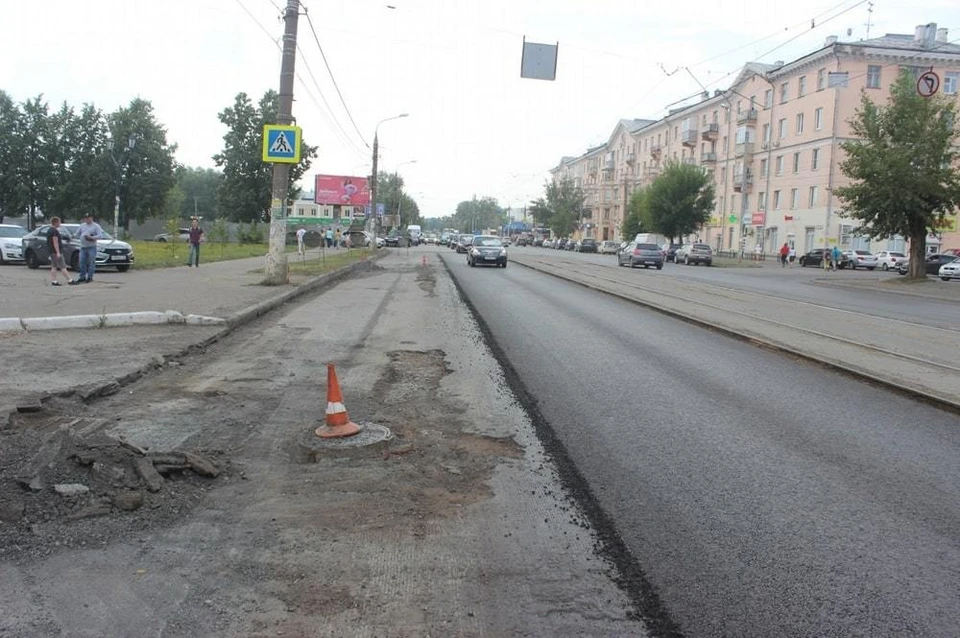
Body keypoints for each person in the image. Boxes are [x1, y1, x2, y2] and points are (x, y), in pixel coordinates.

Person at [71, 212, 102, 284]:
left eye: (88, 218)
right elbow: (77, 233)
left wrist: (92, 237)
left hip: (91, 247)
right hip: (83, 247)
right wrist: (73, 236)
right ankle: (82, 277)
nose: (87, 219)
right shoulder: (82, 226)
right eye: (86, 218)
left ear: (91, 218)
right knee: (82, 262)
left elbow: (100, 235)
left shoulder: (96, 226)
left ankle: (90, 277)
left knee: (91, 262)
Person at [47, 217, 72, 286]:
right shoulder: (54, 231)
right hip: (55, 252)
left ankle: (54, 281)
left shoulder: (49, 230)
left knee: (54, 266)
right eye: (59, 222)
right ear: (55, 222)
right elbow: (55, 242)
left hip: (51, 251)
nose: (60, 224)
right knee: (63, 266)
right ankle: (70, 280)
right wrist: (58, 252)